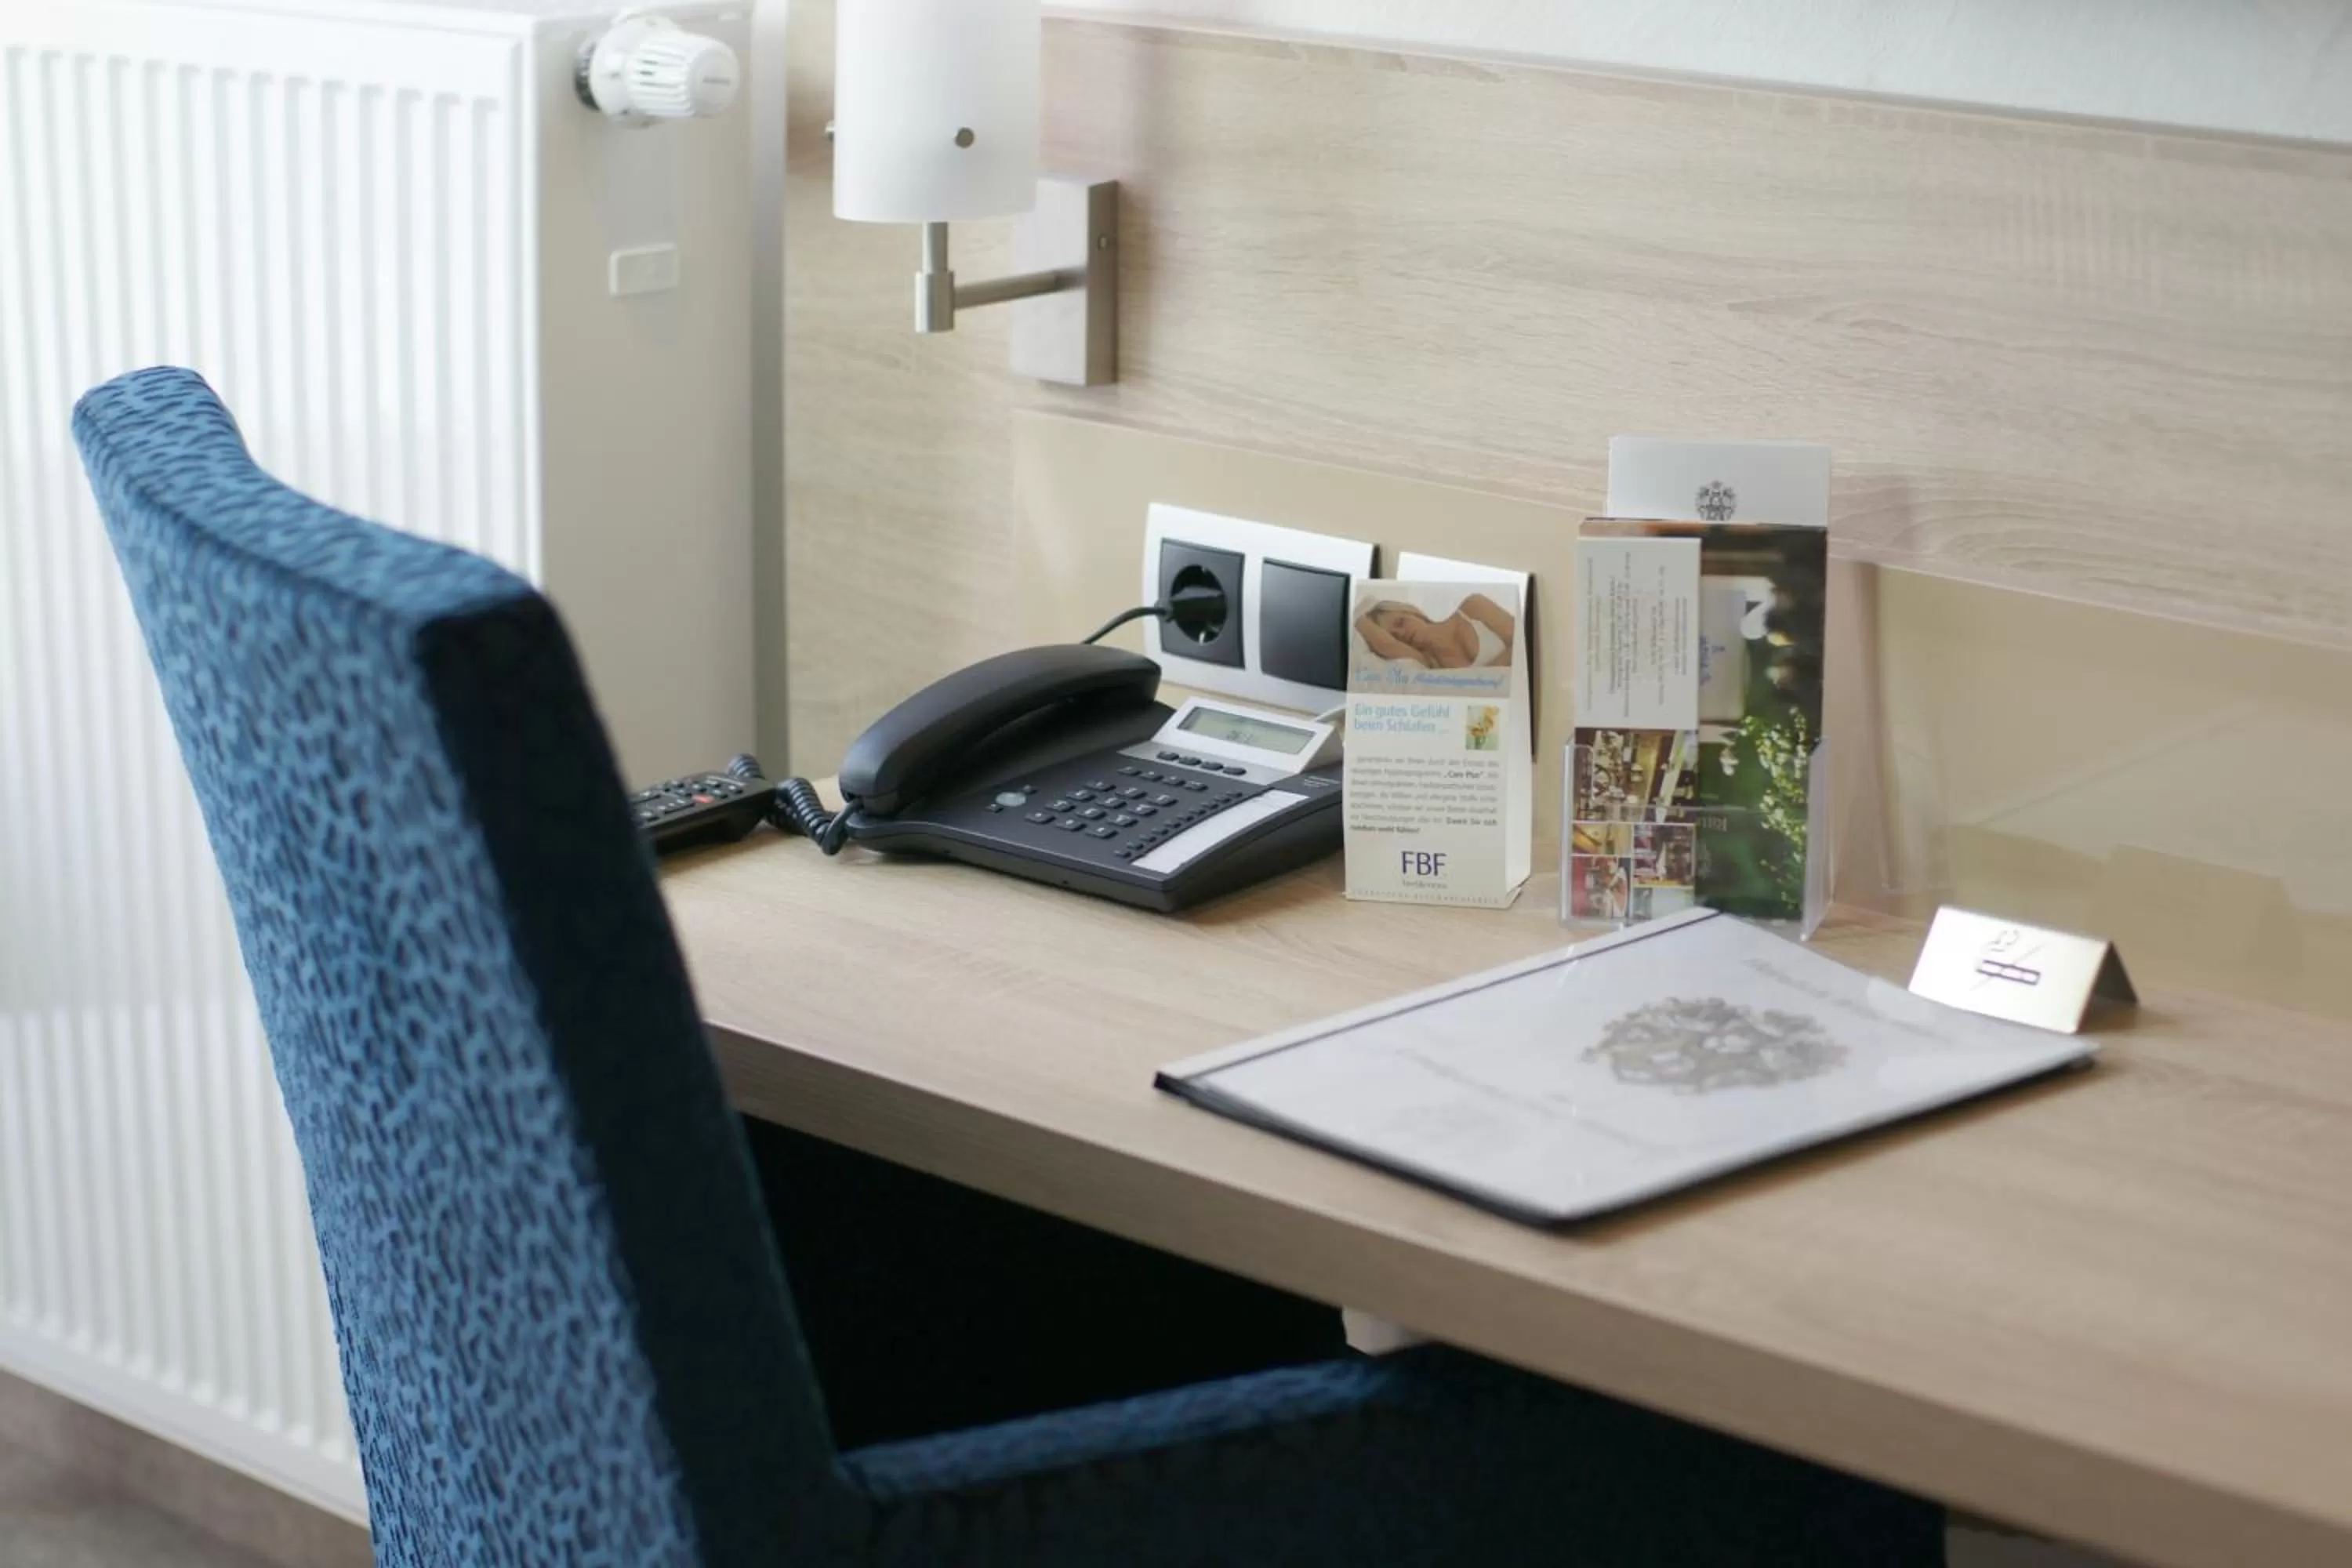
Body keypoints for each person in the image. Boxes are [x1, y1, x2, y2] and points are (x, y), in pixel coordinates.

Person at [1356, 592, 1516, 669]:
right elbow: (1386, 645)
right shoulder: (1429, 665)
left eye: (1400, 623)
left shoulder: (1473, 607)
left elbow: (1524, 644)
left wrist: (1486, 678)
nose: (1402, 634)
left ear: (1412, 612)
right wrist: (1358, 618)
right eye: (1396, 637)